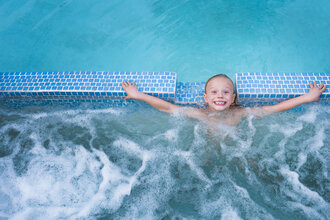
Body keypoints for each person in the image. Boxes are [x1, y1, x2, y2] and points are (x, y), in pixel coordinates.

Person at [121, 74, 326, 126]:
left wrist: (307, 97)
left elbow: (274, 108)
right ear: (206, 98)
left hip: (237, 150)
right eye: (214, 92)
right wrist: (139, 95)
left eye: (226, 92)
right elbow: (168, 108)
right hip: (210, 150)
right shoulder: (200, 113)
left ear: (233, 97)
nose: (220, 96)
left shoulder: (239, 112)